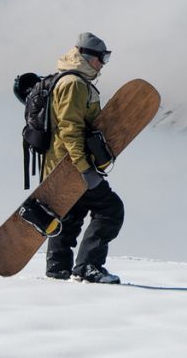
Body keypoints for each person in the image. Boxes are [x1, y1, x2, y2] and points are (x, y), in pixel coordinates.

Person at [44, 32, 124, 284]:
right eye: (103, 58)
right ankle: (88, 266)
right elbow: (70, 128)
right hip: (71, 164)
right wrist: (85, 169)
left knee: (71, 213)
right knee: (110, 209)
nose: (104, 64)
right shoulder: (74, 84)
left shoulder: (69, 79)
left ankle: (58, 269)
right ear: (89, 58)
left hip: (60, 163)